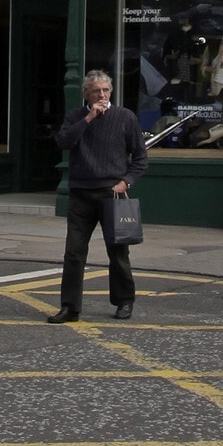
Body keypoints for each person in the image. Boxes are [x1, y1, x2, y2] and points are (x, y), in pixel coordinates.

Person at [49, 68, 147, 323]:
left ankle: (124, 301)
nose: (102, 95)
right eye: (96, 91)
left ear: (111, 91)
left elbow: (140, 158)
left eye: (105, 90)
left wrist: (126, 182)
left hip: (111, 194)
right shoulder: (76, 117)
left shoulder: (125, 117)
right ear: (86, 95)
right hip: (81, 193)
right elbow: (63, 142)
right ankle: (70, 308)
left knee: (118, 252)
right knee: (74, 253)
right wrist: (89, 118)